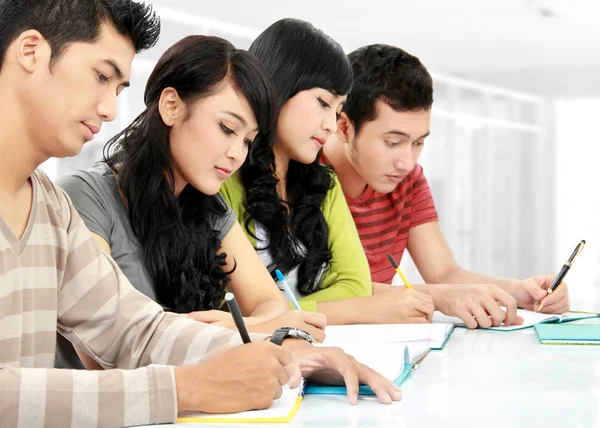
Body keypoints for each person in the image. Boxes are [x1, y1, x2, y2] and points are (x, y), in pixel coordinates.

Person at [0, 1, 401, 424]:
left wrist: (287, 354)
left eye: (117, 89)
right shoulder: (82, 196)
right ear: (30, 51)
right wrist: (192, 387)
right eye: (101, 76)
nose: (110, 110)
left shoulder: (49, 207)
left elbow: (135, 329)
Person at [55, 34, 327, 370]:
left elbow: (270, 303)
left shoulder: (209, 208)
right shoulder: (84, 197)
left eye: (248, 141)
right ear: (171, 106)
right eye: (227, 128)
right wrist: (250, 330)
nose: (236, 154)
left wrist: (235, 325)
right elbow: (104, 350)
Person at [322, 43, 570, 329]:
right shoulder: (305, 177)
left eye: (418, 142)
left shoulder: (408, 180)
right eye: (392, 142)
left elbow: (443, 274)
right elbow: (317, 292)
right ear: (343, 127)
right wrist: (437, 297)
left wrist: (519, 292)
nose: (406, 161)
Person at [220, 18, 435, 325]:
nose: (330, 125)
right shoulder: (223, 178)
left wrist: (280, 315)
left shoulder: (324, 184)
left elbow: (355, 285)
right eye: (322, 102)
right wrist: (360, 309)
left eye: (337, 110)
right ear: (278, 85)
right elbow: (226, 312)